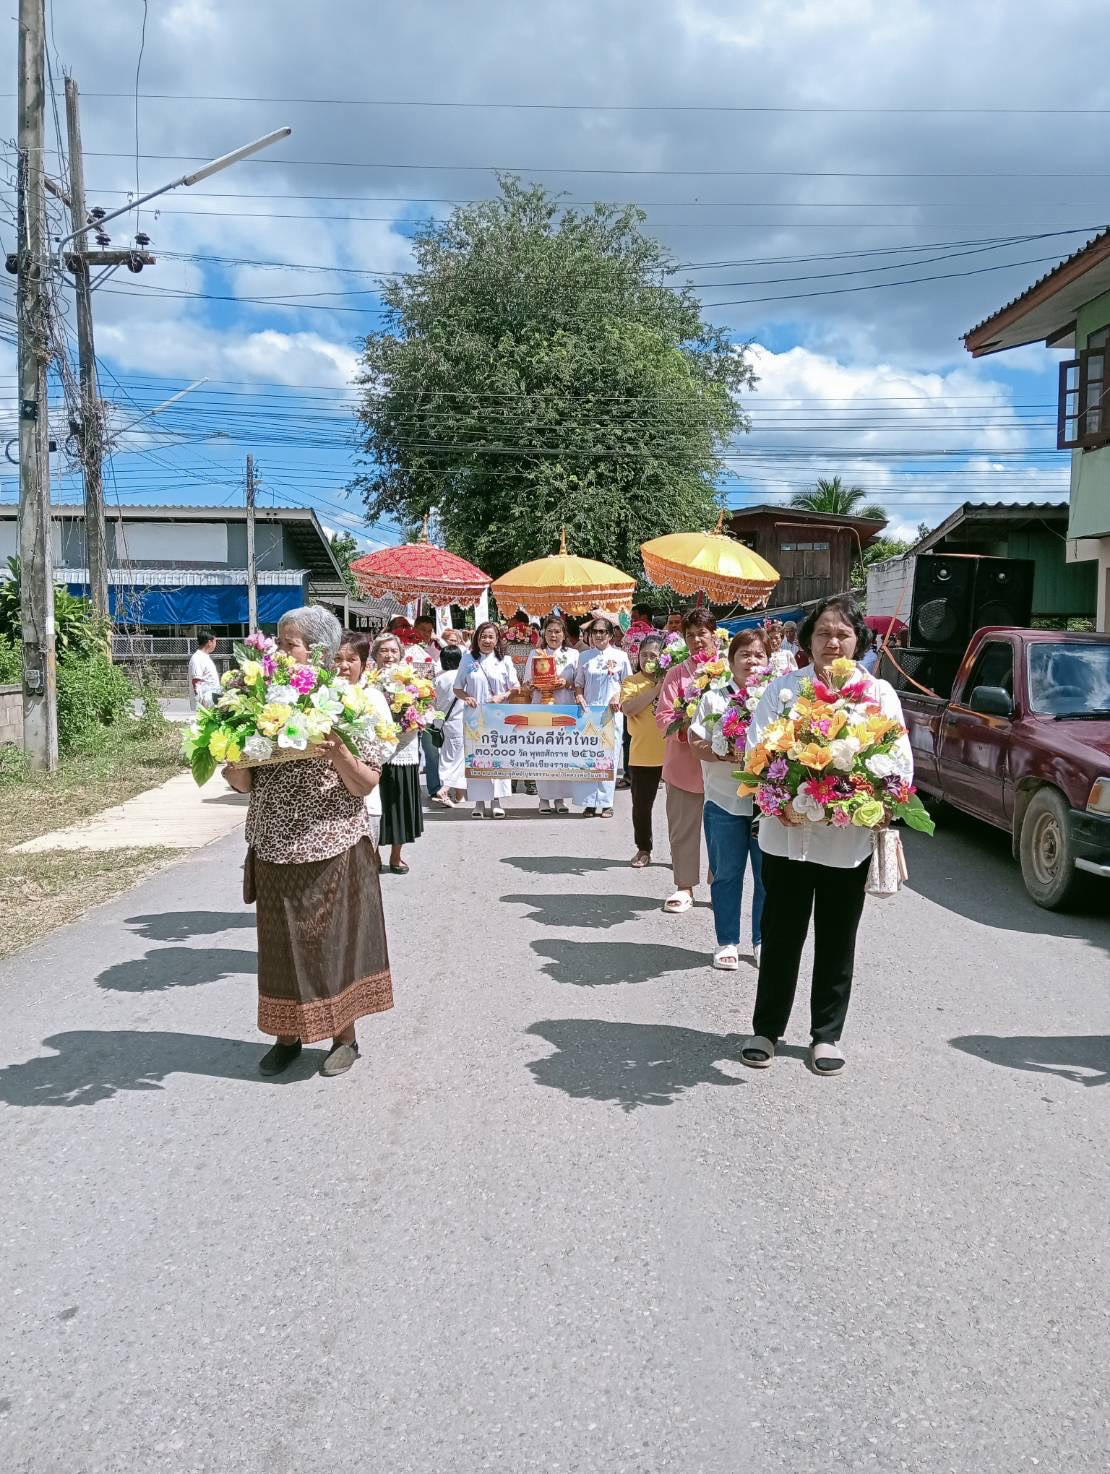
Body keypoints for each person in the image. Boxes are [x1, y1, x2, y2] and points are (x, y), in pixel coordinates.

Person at [739, 595, 909, 1077]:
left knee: (837, 939)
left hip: (845, 842)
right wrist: (781, 799)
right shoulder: (784, 691)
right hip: (786, 838)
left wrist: (862, 800)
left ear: (859, 641)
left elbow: (897, 764)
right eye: (823, 634)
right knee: (780, 935)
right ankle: (766, 1029)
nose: (833, 643)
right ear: (808, 640)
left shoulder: (878, 696)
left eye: (843, 634)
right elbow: (757, 753)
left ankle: (826, 1035)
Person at [222, 605, 394, 1079]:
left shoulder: (349, 701)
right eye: (278, 643)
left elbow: (364, 784)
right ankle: (287, 1036)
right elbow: (239, 783)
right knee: (281, 947)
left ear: (317, 650)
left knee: (334, 943)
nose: (279, 652)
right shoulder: (255, 700)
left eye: (289, 644)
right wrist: (240, 749)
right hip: (274, 842)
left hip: (333, 842)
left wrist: (339, 748)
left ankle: (345, 1038)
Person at [688, 629, 770, 970]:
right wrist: (726, 752)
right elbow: (695, 743)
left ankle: (763, 939)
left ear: (767, 660)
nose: (751, 662)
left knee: (769, 877)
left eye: (758, 655)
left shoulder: (777, 699)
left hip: (768, 804)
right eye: (744, 655)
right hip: (723, 800)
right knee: (726, 873)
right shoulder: (714, 698)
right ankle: (727, 940)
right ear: (731, 659)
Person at [654, 609, 718, 912]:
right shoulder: (677, 673)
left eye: (701, 633)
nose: (696, 640)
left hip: (722, 767)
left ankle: (720, 884)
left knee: (723, 831)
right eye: (690, 635)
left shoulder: (729, 670)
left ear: (713, 634)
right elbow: (663, 717)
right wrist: (689, 730)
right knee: (682, 830)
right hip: (683, 765)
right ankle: (684, 886)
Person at [336, 631, 397, 851]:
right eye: (337, 659)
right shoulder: (318, 697)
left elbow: (388, 741)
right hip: (325, 804)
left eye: (351, 660)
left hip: (364, 799)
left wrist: (359, 764)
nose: (343, 666)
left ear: (363, 664)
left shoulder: (373, 697)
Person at [455, 621, 519, 817]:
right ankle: (479, 803)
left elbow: (516, 687)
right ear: (477, 638)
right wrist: (467, 697)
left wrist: (502, 696)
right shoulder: (467, 659)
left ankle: (497, 801)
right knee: (477, 758)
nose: (487, 640)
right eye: (483, 636)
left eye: (491, 636)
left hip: (499, 716)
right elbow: (457, 687)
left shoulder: (505, 661)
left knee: (498, 757)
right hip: (475, 718)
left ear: (497, 639)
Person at [372, 632, 423, 875]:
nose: (389, 656)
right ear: (375, 654)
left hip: (404, 750)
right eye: (384, 651)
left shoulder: (412, 681)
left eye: (393, 651)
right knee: (373, 805)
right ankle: (372, 855)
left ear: (401, 654)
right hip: (375, 751)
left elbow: (421, 713)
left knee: (399, 805)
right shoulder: (367, 681)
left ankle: (396, 856)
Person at [572, 617, 631, 817]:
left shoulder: (620, 656)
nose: (598, 635)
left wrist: (617, 695)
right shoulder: (584, 657)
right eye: (595, 632)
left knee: (609, 757)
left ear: (610, 634)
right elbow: (578, 682)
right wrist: (579, 695)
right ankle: (589, 803)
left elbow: (628, 684)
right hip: (588, 712)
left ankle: (606, 802)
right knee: (589, 756)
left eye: (602, 632)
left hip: (610, 714)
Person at [523, 615, 578, 813]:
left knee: (562, 754)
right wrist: (536, 684)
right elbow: (527, 683)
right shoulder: (535, 654)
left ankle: (560, 799)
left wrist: (566, 683)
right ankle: (544, 798)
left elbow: (579, 683)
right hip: (541, 708)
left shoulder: (573, 654)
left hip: (565, 707)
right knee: (543, 755)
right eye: (550, 631)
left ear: (564, 634)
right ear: (544, 634)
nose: (553, 635)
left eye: (558, 631)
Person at [620, 634, 665, 867]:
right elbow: (628, 708)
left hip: (672, 755)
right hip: (643, 754)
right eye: (644, 654)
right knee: (641, 806)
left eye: (654, 655)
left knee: (678, 810)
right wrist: (657, 689)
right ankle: (643, 848)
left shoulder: (672, 680)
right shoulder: (631, 682)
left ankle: (681, 853)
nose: (648, 659)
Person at [432, 646, 466, 805]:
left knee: (448, 757)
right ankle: (445, 789)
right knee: (458, 759)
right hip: (461, 722)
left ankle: (459, 795)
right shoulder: (463, 677)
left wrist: (438, 722)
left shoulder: (438, 679)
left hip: (444, 723)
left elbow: (434, 704)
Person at [188, 631, 220, 709]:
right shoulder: (197, 658)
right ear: (209, 642)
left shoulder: (205, 657)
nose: (216, 644)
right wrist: (202, 704)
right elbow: (196, 682)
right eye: (215, 641)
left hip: (212, 701)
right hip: (205, 705)